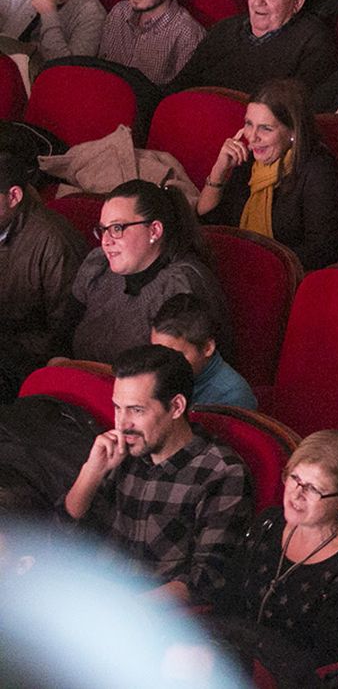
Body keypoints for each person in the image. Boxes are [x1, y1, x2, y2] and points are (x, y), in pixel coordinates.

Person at [61, 343, 251, 604]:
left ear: (176, 407)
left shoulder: (221, 471)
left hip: (151, 618)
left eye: (136, 410)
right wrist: (90, 472)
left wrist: (124, 611)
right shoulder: (119, 451)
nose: (122, 423)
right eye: (118, 407)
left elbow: (207, 580)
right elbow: (61, 533)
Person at [209, 430, 338, 680]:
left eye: (313, 489)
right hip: (224, 658)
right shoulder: (268, 524)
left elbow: (328, 667)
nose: (296, 494)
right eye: (294, 478)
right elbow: (226, 603)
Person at [70, 180, 228, 364]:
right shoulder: (98, 266)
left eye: (117, 228)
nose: (105, 241)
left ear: (154, 230)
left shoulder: (181, 284)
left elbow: (171, 377)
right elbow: (61, 337)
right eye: (103, 229)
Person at [198, 78, 338, 271]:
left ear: (293, 131)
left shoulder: (318, 169)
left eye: (265, 128)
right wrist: (219, 171)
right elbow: (208, 221)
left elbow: (322, 252)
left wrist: (257, 262)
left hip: (284, 275)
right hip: (239, 263)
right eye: (249, 124)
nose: (252, 136)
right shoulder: (251, 158)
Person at [168, 0, 338, 94]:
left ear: (297, 3)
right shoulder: (226, 29)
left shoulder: (313, 44)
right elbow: (181, 85)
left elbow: (293, 115)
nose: (258, 2)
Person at [0, 146, 88, 399]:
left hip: (26, 364)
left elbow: (63, 335)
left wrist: (6, 343)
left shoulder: (54, 241)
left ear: (13, 196)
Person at [149, 293, 255, 410]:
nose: (162, 366)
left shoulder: (232, 396)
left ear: (207, 348)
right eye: (157, 351)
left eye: (175, 356)